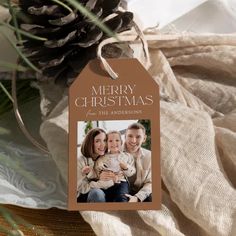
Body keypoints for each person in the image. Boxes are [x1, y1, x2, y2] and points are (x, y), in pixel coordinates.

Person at [93, 130, 135, 202]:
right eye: (110, 141)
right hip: (106, 182)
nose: (114, 143)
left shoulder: (127, 156)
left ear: (121, 142)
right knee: (105, 196)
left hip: (121, 182)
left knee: (121, 197)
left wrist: (126, 168)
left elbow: (132, 172)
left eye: (117, 140)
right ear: (106, 144)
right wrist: (100, 173)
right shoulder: (102, 157)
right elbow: (97, 169)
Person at [77, 128, 117, 202]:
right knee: (97, 193)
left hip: (103, 188)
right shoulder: (79, 160)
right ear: (90, 143)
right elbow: (81, 188)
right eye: (97, 141)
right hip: (84, 193)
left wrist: (114, 178)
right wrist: (99, 181)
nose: (103, 145)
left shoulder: (106, 157)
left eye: (104, 140)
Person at [123, 123, 152, 202]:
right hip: (121, 192)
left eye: (138, 137)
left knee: (151, 197)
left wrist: (138, 197)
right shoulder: (115, 153)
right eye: (130, 136)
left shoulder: (150, 156)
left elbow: (151, 183)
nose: (133, 140)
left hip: (141, 192)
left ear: (144, 138)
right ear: (125, 137)